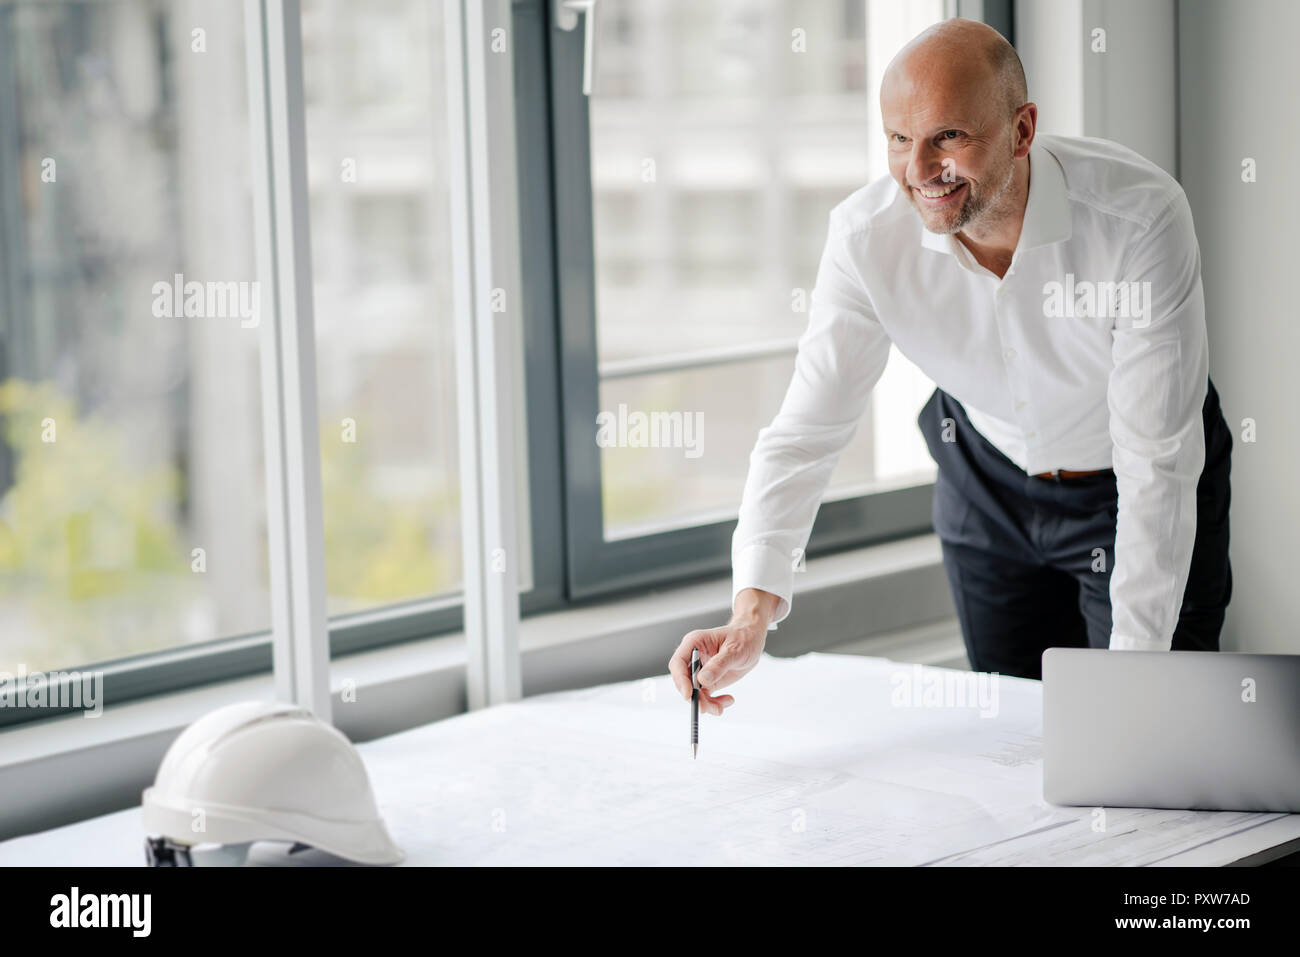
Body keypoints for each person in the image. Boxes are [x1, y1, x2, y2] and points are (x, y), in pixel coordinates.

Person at [669, 17, 1231, 710]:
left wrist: (1133, 693)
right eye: (899, 140)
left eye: (949, 137)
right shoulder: (864, 239)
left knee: (1150, 734)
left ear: (1022, 131)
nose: (918, 169)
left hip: (1130, 484)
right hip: (985, 482)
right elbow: (805, 432)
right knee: (1012, 734)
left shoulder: (1139, 221)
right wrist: (750, 612)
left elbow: (1156, 465)